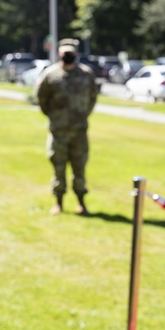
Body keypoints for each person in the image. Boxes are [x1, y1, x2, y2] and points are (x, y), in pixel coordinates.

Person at [34, 38, 98, 215]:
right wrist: (54, 116)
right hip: (58, 131)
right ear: (59, 54)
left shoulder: (86, 74)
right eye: (65, 54)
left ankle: (81, 202)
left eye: (71, 53)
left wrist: (83, 114)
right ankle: (59, 202)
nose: (68, 56)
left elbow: (93, 98)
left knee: (80, 168)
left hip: (79, 131)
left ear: (76, 54)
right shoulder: (50, 75)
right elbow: (41, 98)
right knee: (58, 167)